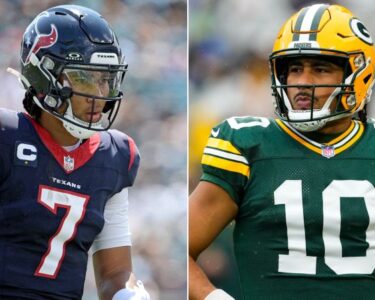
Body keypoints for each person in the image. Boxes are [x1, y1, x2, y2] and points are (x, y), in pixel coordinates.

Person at [189, 4, 375, 300]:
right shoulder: (247, 143)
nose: (302, 83)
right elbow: (182, 251)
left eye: (321, 69)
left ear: (359, 74)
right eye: (294, 69)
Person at [0, 5, 150, 300]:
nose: (99, 94)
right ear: (44, 78)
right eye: (84, 77)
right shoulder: (7, 137)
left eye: (106, 78)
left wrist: (130, 294)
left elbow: (114, 274)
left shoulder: (115, 156)